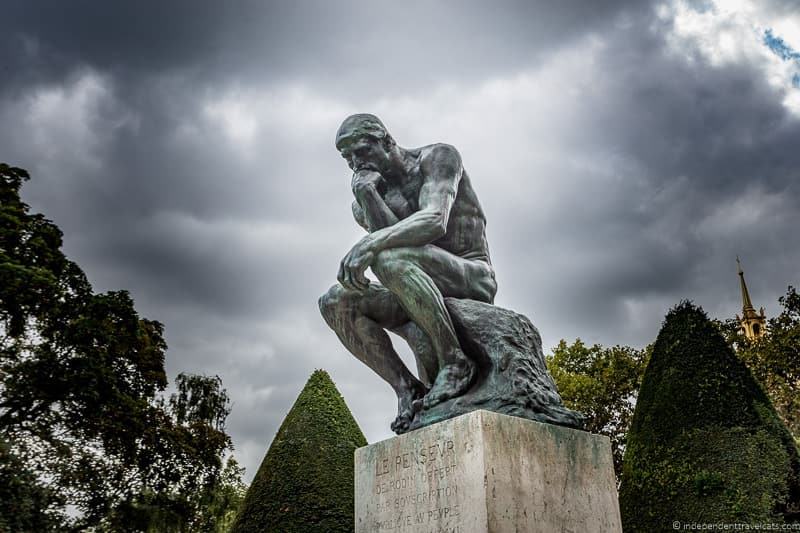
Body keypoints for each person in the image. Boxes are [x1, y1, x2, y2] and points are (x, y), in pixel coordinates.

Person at [319, 114, 497, 433]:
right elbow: (392, 248)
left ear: (386, 140)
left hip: (469, 275)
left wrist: (371, 243)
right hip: (410, 279)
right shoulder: (364, 197)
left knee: (384, 257)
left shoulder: (438, 158)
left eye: (362, 151)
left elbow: (433, 221)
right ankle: (406, 388)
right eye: (347, 158)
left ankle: (455, 362)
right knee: (335, 301)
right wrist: (369, 196)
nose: (355, 163)